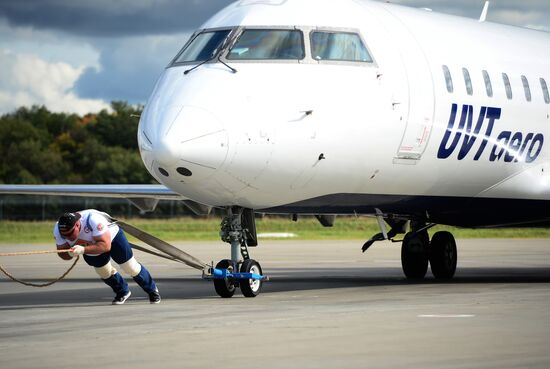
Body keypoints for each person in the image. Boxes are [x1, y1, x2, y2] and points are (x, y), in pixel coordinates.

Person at [54, 210, 161, 305]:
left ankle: (152, 290)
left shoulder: (93, 220)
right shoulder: (58, 230)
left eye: (71, 233)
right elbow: (62, 254)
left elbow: (105, 246)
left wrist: (83, 250)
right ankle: (122, 291)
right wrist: (69, 254)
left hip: (112, 238)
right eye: (65, 236)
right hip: (90, 245)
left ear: (77, 225)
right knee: (103, 272)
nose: (68, 237)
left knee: (130, 267)